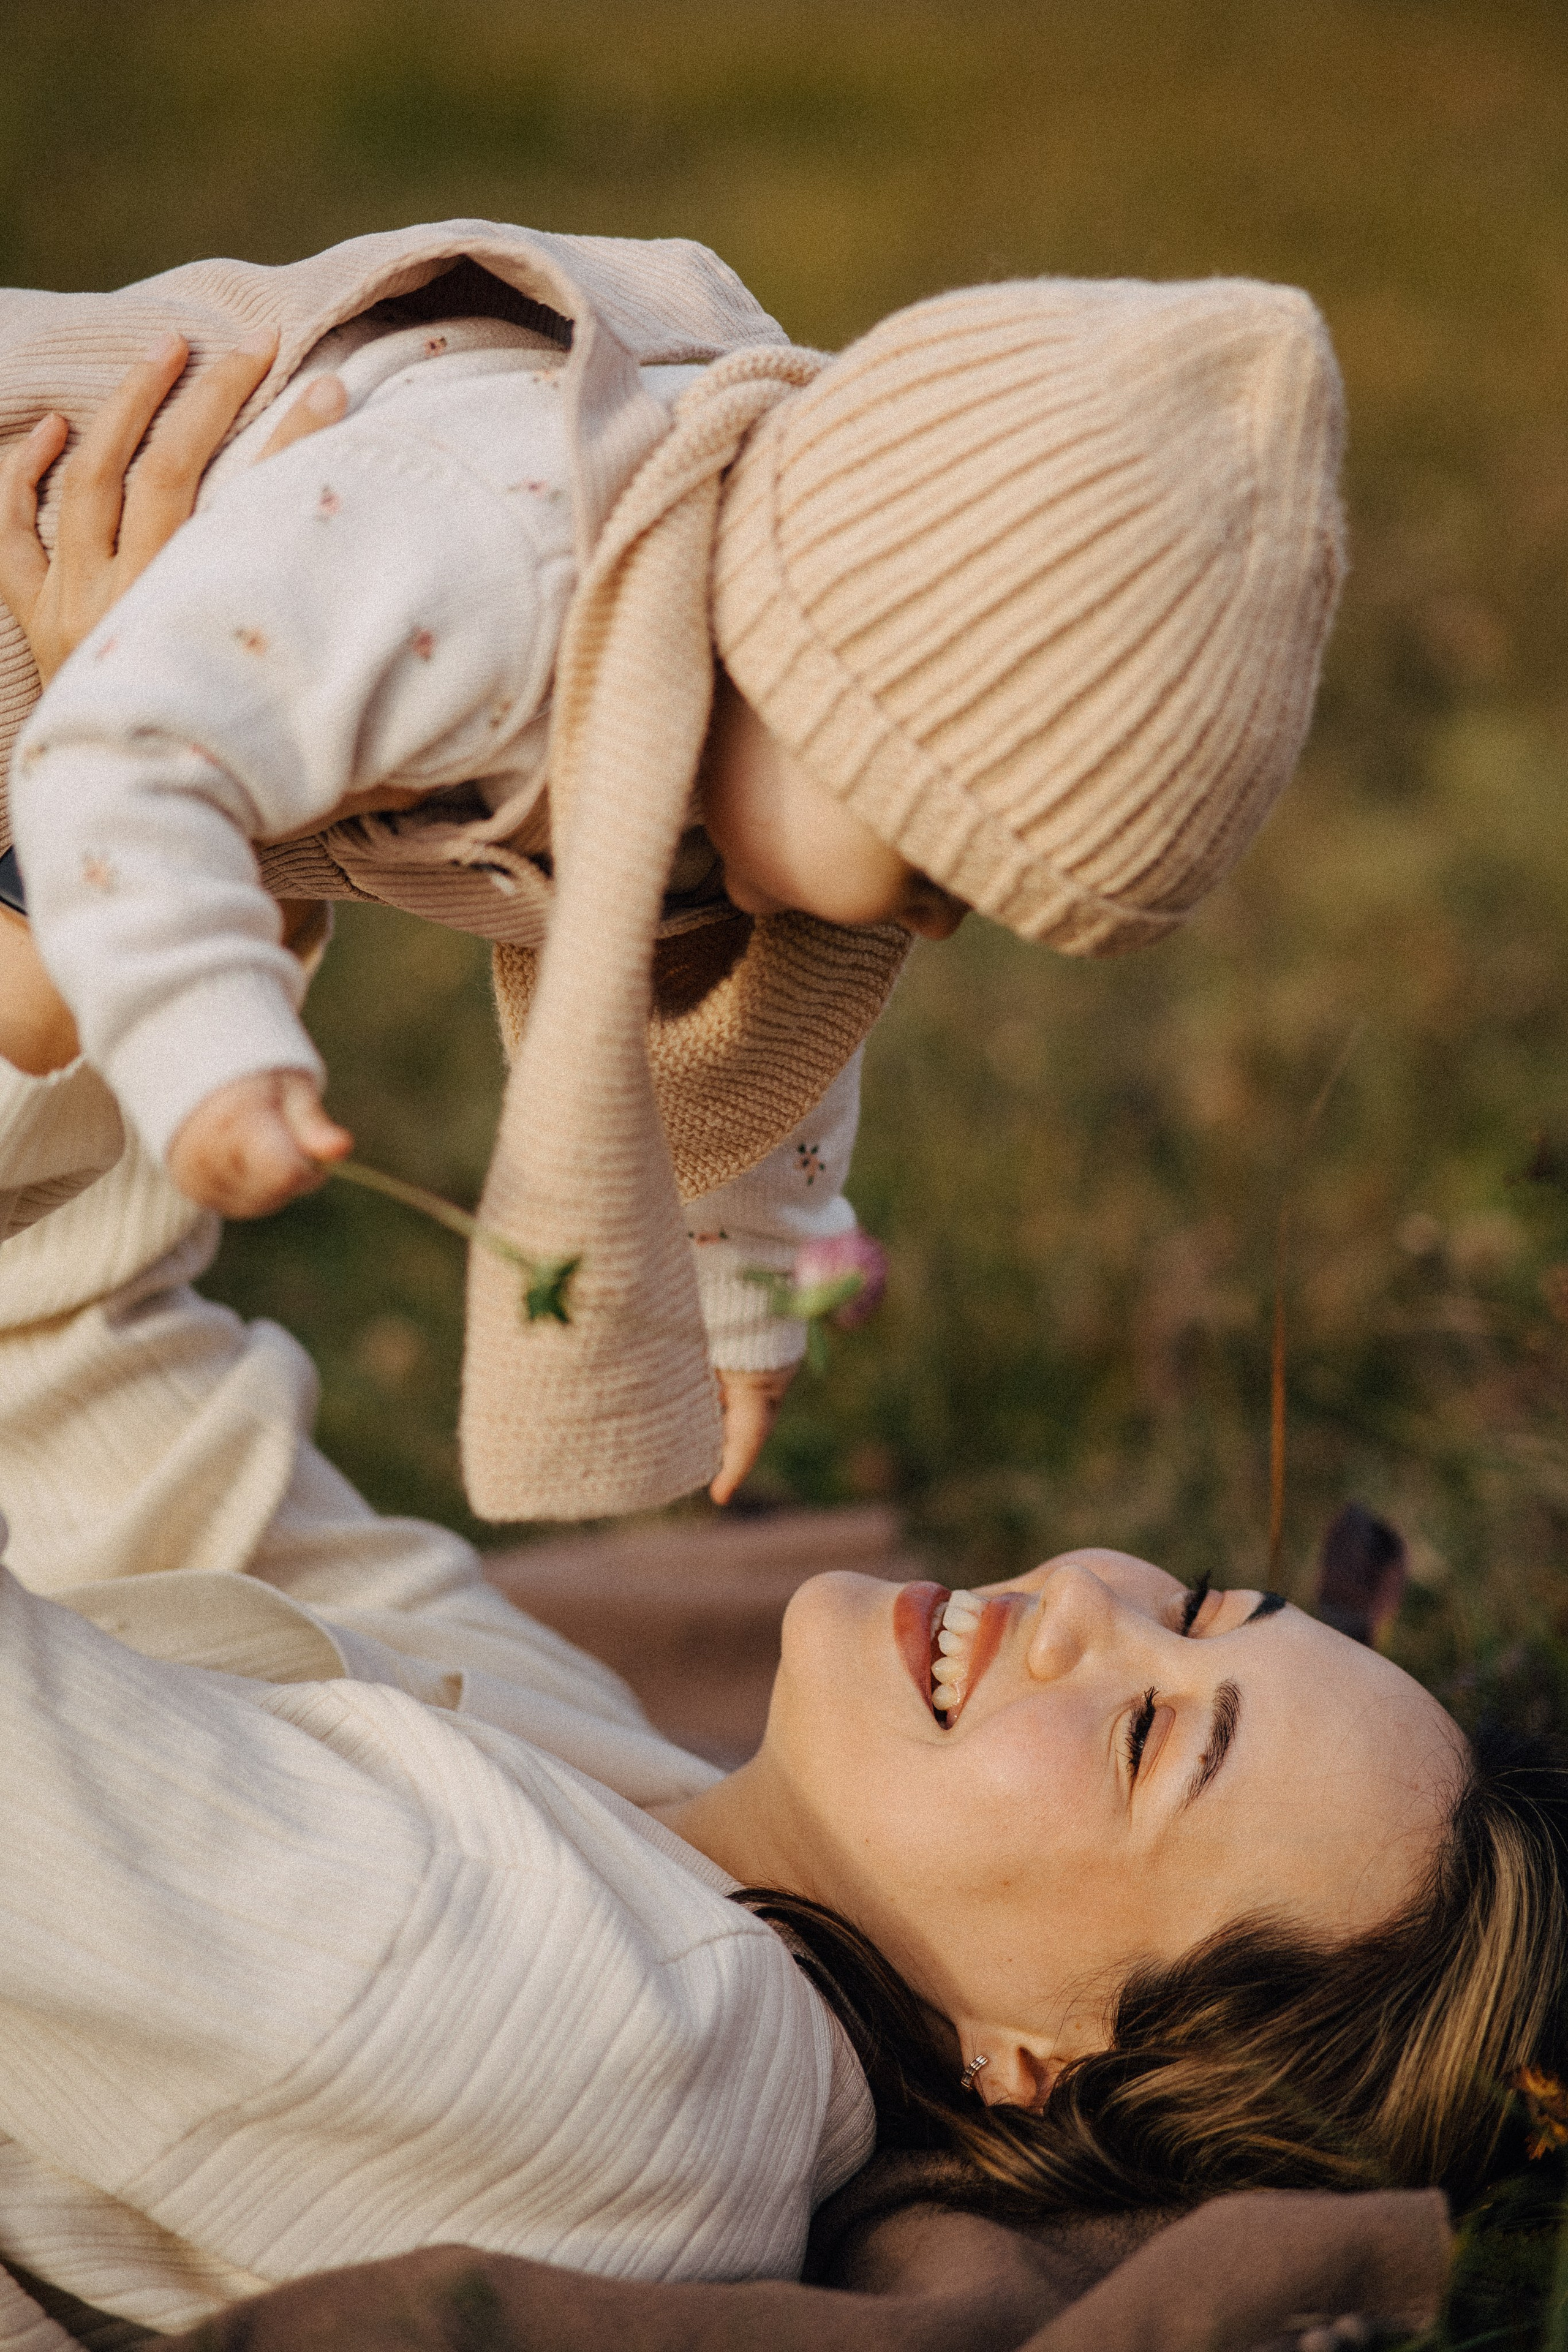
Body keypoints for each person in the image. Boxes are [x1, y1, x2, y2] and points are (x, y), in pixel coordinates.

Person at [0, 353, 1556, 2352]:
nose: (1090, 1611)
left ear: (1041, 2067)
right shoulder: (634, 1805)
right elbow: (87, 1385)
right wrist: (140, 878)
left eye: (1153, 1738)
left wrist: (73, 863)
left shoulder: (616, 2062)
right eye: (1194, 1603)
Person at [0, 219, 1346, 1526]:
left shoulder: (711, 695)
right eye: (937, 873)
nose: (930, 929)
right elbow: (124, 752)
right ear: (821, 674)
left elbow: (754, 1043)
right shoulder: (496, 558)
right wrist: (213, 1051)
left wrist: (737, 1301)